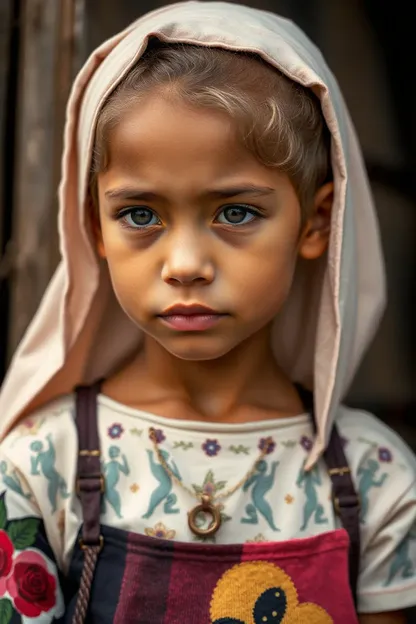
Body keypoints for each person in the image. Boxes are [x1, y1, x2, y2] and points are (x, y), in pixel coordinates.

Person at [0, 2, 414, 622]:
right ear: (96, 228)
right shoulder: (39, 464)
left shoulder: (374, 479)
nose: (186, 263)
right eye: (140, 215)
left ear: (316, 221)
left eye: (236, 212)